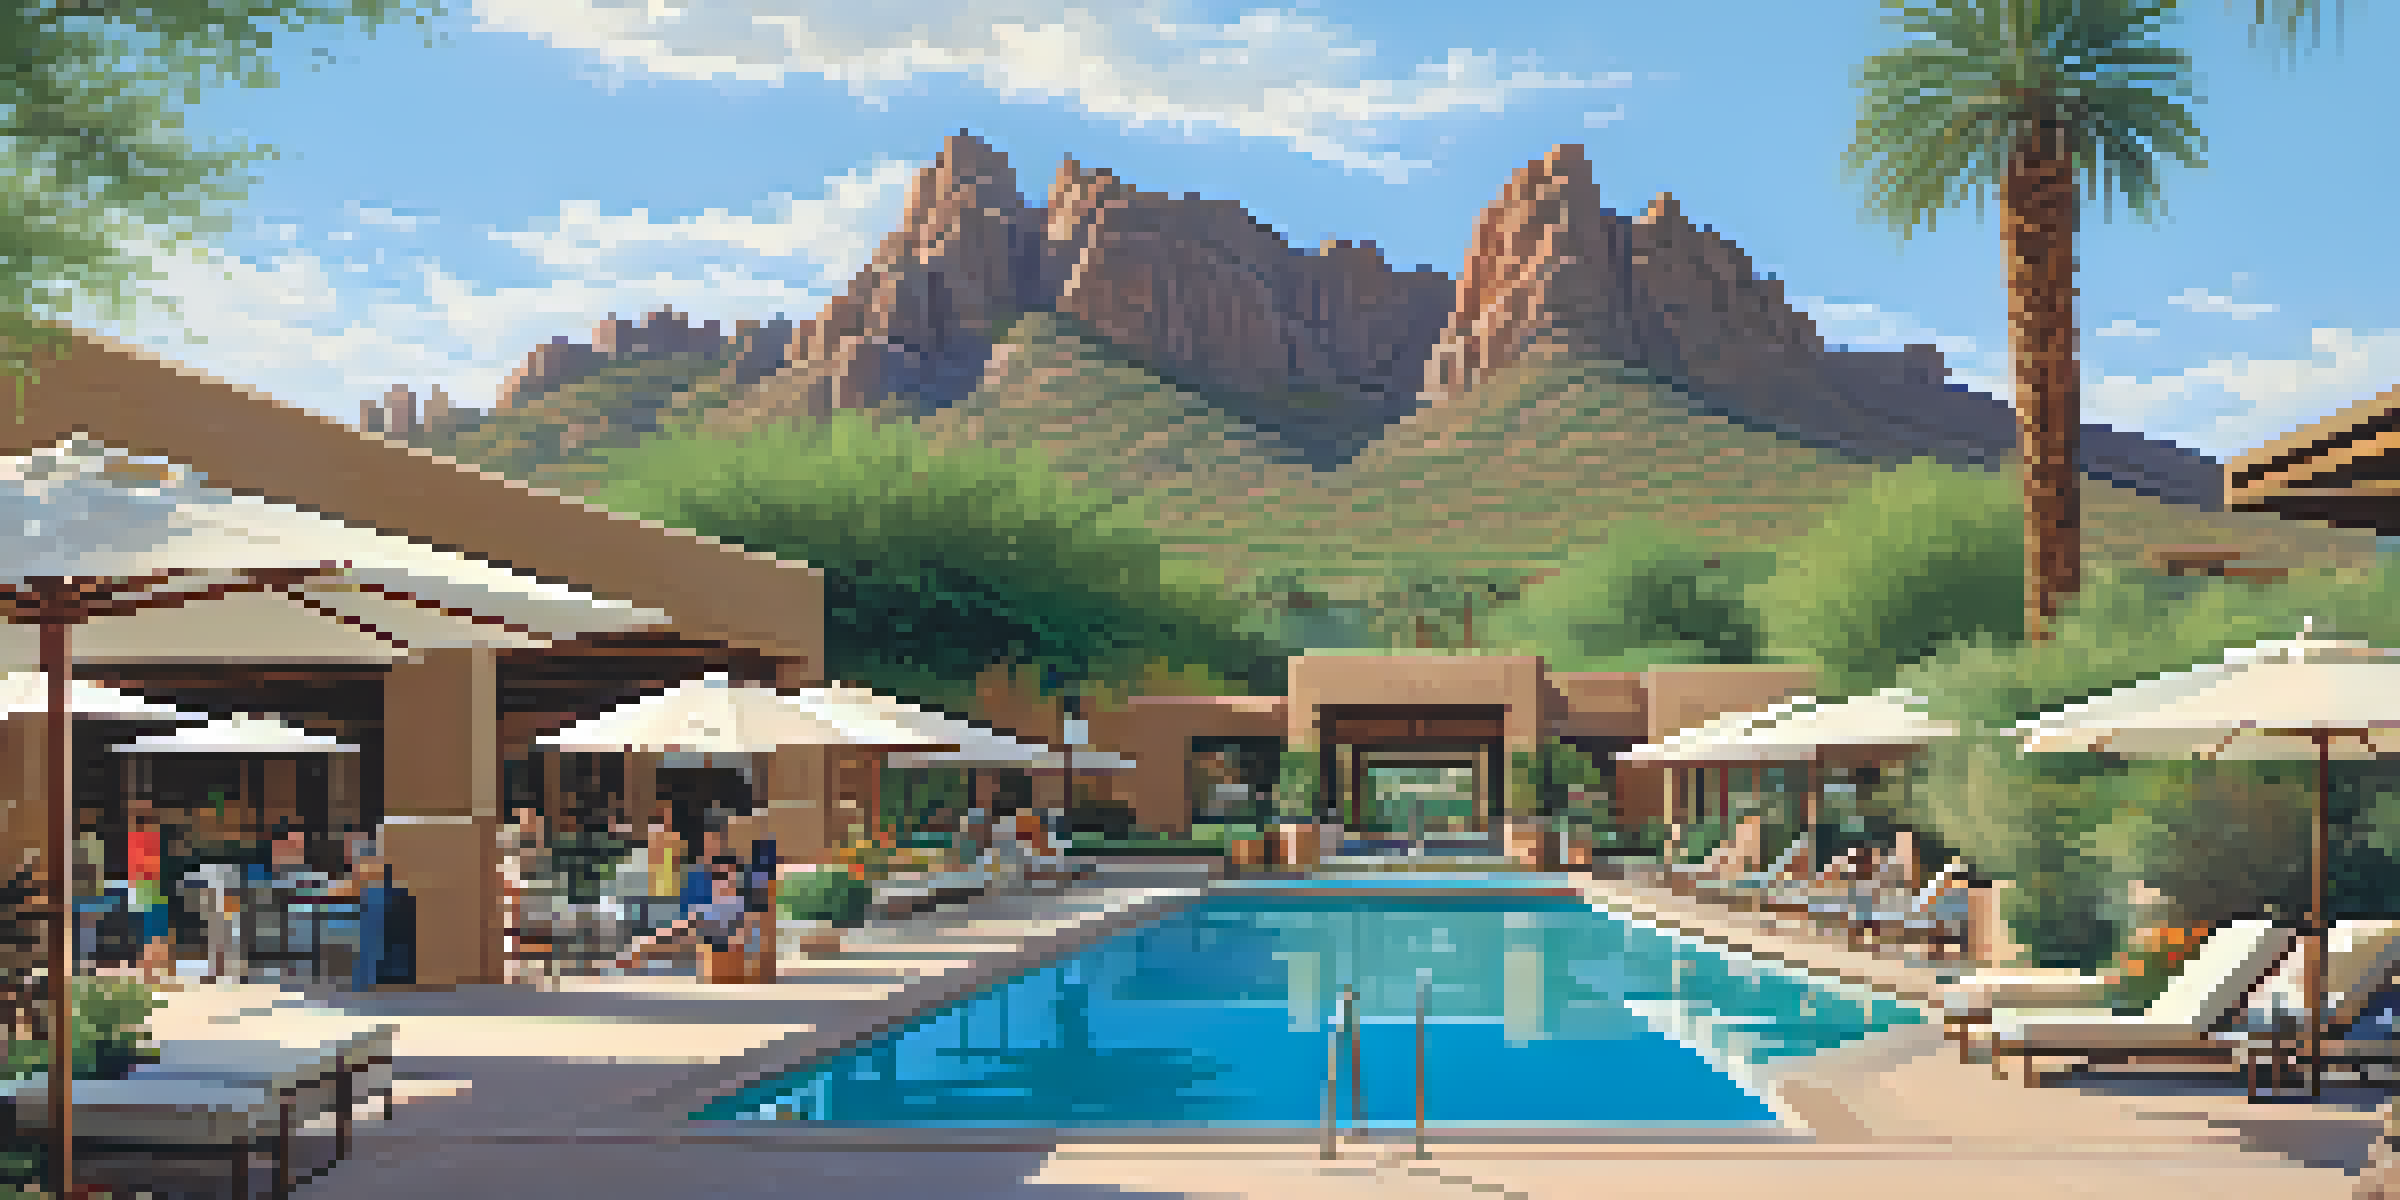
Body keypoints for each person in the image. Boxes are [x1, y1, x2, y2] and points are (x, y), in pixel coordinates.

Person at [615, 858, 749, 973]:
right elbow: (690, 921)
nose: (720, 883)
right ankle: (636, 955)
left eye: (726, 877)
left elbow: (732, 937)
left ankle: (636, 956)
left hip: (713, 950)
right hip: (699, 941)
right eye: (717, 877)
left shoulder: (735, 903)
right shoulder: (711, 902)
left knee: (679, 939)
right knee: (673, 935)